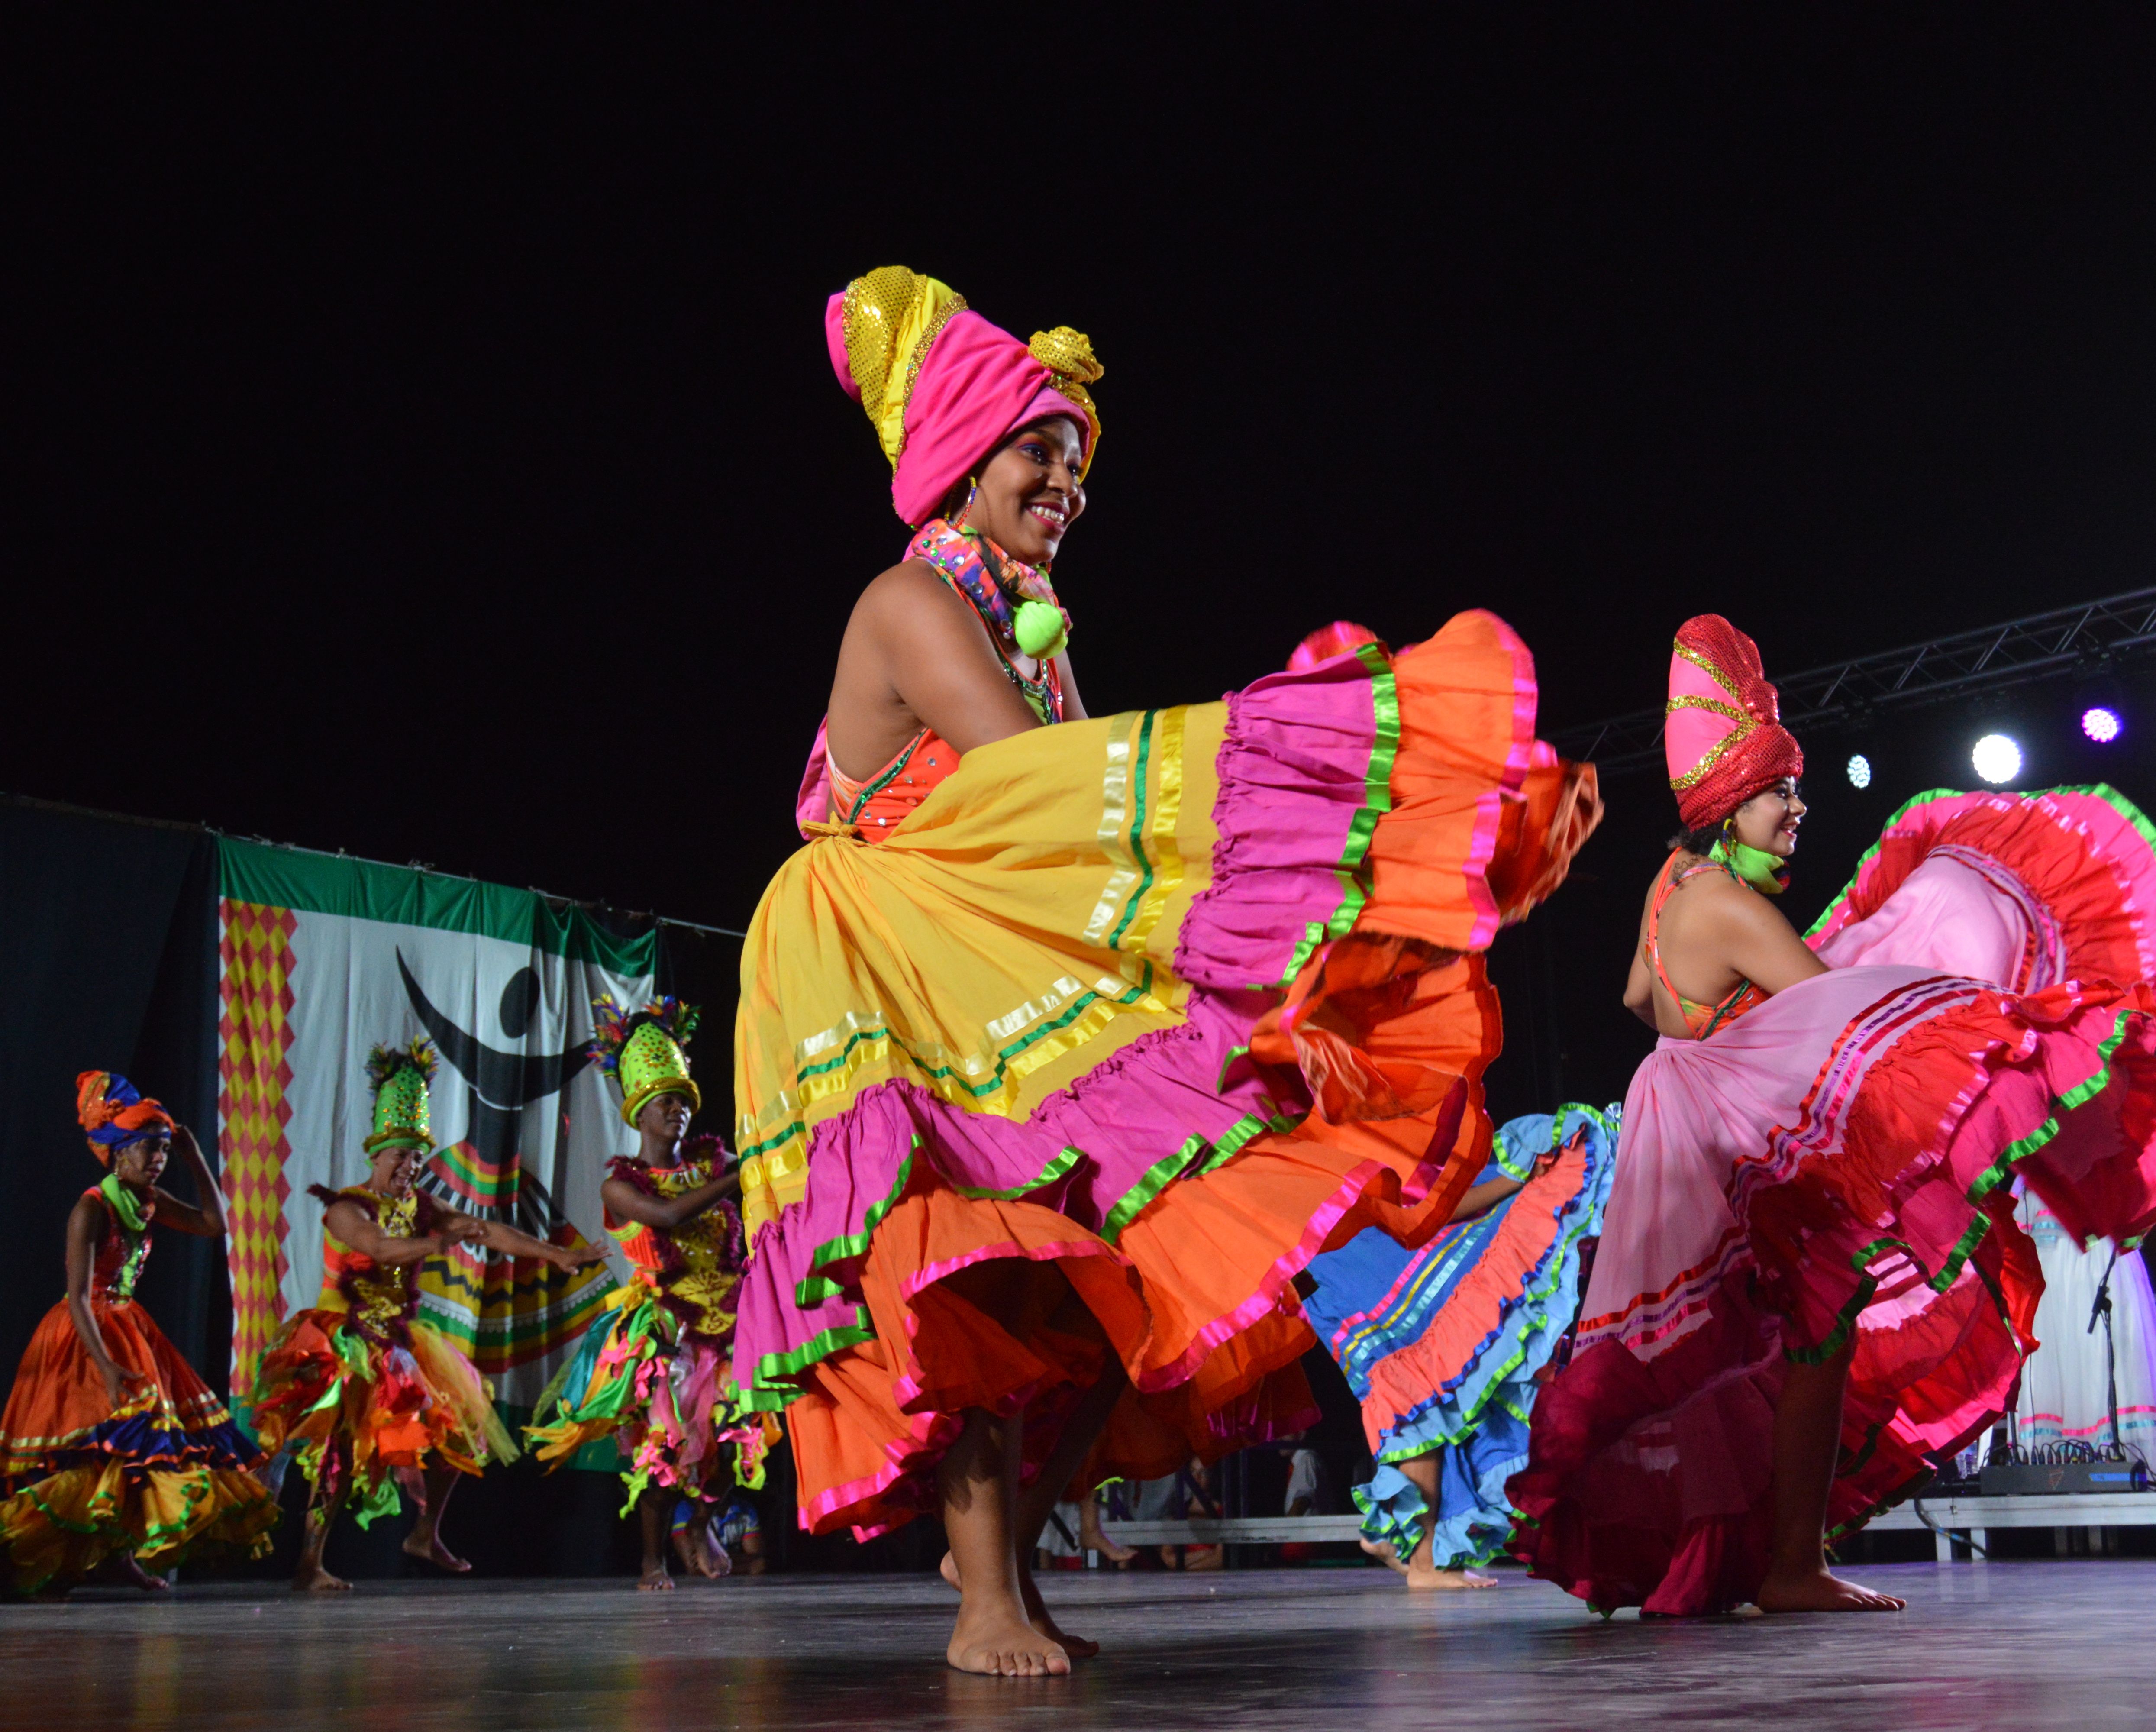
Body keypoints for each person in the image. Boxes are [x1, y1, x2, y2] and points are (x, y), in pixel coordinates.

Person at [729, 266, 1596, 1675]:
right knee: (972, 1258)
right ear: (960, 456)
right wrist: (1302, 814)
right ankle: (984, 1602)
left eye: (1074, 463)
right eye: (1035, 455)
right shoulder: (906, 601)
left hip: (982, 924)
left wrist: (1290, 963)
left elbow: (1087, 824)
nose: (1064, 486)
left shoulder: (1026, 624)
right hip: (871, 948)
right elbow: (1047, 785)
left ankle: (1005, 1573)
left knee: (1098, 1253)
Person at [1508, 615, 2156, 1618]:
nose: (1796, 806)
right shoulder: (1722, 898)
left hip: (1689, 1133)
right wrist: (1996, 1020)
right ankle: (1790, 1567)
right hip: (1727, 1144)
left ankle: (1740, 1558)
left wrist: (1705, 1037)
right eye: (1778, 791)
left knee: (1755, 1348)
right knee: (1814, 1340)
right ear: (1726, 805)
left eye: (1791, 787)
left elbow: (1636, 995)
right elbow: (1843, 1014)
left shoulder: (1670, 884)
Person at [251, 1040, 604, 1591]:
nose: (410, 1167)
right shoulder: (347, 1208)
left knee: (462, 1424)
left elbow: (484, 1230)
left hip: (398, 1341)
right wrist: (434, 1247)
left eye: (418, 1157)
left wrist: (558, 1254)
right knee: (336, 1455)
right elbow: (381, 1249)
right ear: (377, 1153)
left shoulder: (421, 1206)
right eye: (401, 1156)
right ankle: (309, 1560)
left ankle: (424, 1532)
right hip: (342, 1339)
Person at [1301, 1101, 1620, 1589]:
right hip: (1363, 1268)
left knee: (1438, 1397)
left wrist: (1513, 1180)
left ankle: (1415, 1545)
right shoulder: (1331, 1156)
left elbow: (1427, 1210)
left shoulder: (1337, 1151)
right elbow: (1425, 1215)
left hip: (1362, 1265)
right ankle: (1424, 1558)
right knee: (1421, 1395)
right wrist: (1515, 1180)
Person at [528, 996, 776, 1590]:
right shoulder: (622, 1186)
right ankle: (651, 1561)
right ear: (639, 1113)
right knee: (664, 1452)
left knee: (739, 1433)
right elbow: (664, 1218)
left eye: (684, 1102)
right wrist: (736, 1177)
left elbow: (766, 1172)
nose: (677, 1112)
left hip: (727, 1321)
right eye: (665, 1103)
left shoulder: (714, 1164)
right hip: (666, 1328)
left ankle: (703, 1523)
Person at [0, 1074, 277, 1595]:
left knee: (139, 1448)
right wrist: (104, 1365)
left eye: (166, 1148)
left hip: (130, 1325)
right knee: (89, 1449)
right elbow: (79, 1296)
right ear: (120, 1153)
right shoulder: (92, 1209)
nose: (159, 1158)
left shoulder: (148, 1199)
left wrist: (196, 1157)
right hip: (84, 1334)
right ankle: (56, 1556)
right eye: (152, 1147)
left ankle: (114, 1556)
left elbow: (215, 1225)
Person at [2008, 1183, 2156, 1484]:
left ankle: (2123, 1461)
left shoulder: (2103, 1144)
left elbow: (2143, 1193)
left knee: (2107, 1358)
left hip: (2100, 1257)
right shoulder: (2031, 1152)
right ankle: (2057, 1466)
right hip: (2050, 1267)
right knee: (2060, 1359)